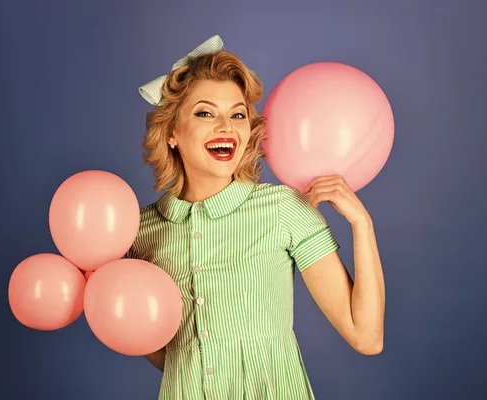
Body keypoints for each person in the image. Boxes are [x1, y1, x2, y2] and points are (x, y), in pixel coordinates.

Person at [126, 35, 386, 400]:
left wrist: (362, 224)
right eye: (205, 113)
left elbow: (367, 336)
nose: (226, 127)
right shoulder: (138, 232)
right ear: (171, 132)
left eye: (237, 114)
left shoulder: (283, 208)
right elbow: (163, 352)